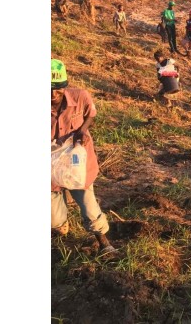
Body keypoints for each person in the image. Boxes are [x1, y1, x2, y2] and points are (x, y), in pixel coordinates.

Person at [51, 59, 116, 255]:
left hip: (77, 165)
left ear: (65, 86)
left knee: (89, 205)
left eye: (57, 89)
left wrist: (82, 130)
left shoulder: (80, 97)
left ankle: (104, 243)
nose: (52, 95)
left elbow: (91, 114)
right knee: (54, 218)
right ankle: (61, 229)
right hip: (50, 166)